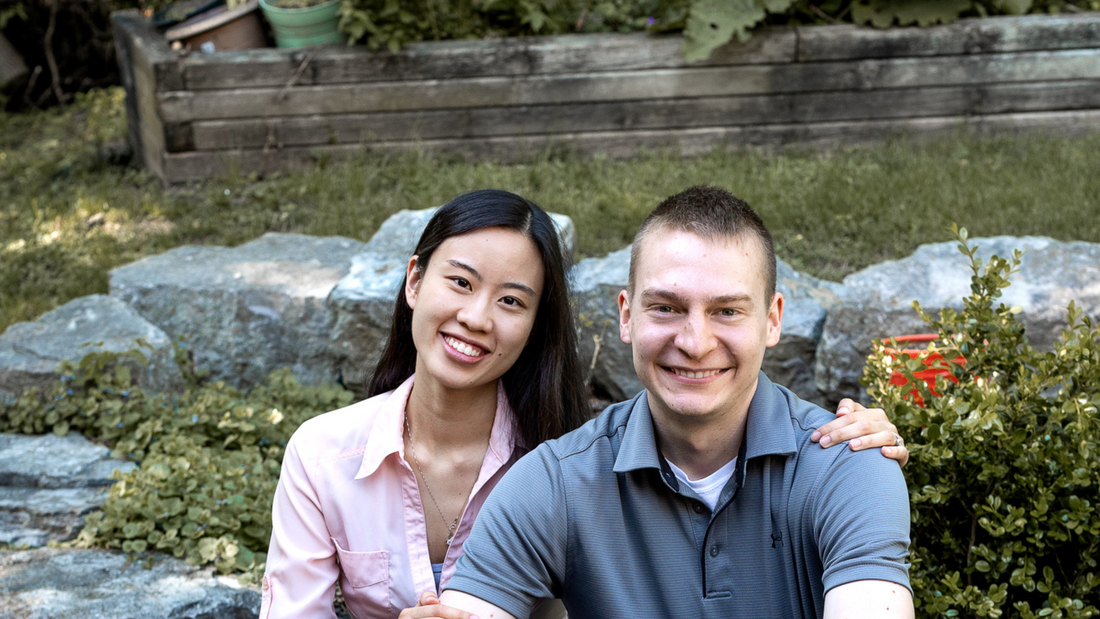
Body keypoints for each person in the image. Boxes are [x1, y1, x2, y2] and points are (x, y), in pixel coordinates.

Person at [260, 189, 909, 619]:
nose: (694, 339)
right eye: (666, 306)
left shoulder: (847, 461)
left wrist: (864, 458)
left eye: (726, 310)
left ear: (773, 319)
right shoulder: (558, 476)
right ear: (625, 315)